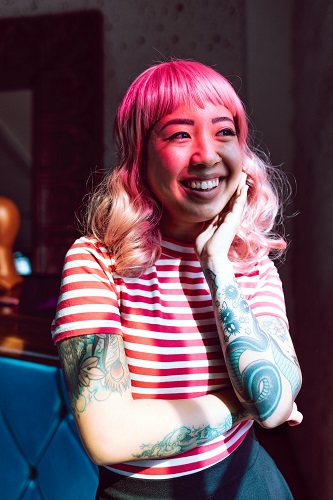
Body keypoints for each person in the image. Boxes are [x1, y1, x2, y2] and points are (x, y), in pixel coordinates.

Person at [52, 59, 303, 499]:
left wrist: (216, 265)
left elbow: (279, 397)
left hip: (253, 484)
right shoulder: (97, 262)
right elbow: (108, 437)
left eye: (224, 131)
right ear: (138, 157)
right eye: (179, 134)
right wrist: (242, 405)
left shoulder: (251, 263)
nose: (206, 154)